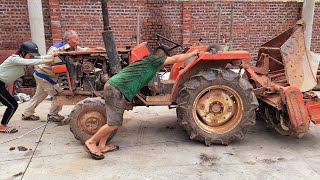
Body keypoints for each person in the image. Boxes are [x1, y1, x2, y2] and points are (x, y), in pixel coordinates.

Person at [84, 49, 200, 160]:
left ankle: (102, 146)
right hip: (116, 89)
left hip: (115, 87)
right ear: (161, 57)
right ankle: (91, 142)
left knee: (112, 121)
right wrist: (192, 54)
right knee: (114, 123)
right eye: (164, 61)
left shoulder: (147, 61)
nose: (163, 66)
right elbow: (177, 58)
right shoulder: (154, 60)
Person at [22, 30, 100, 122]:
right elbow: (50, 58)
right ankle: (53, 115)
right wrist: (59, 53)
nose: (78, 42)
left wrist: (97, 49)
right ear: (68, 40)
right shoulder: (56, 48)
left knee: (39, 95)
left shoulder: (72, 47)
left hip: (45, 74)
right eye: (76, 40)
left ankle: (27, 114)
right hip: (44, 75)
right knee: (59, 94)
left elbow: (83, 49)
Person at [0, 40, 55, 133]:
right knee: (12, 105)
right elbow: (31, 61)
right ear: (23, 52)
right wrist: (47, 60)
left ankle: (2, 125)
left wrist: (52, 56)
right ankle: (2, 126)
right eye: (30, 55)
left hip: (1, 84)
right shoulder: (14, 59)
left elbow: (38, 57)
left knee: (12, 104)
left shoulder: (23, 59)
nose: (31, 58)